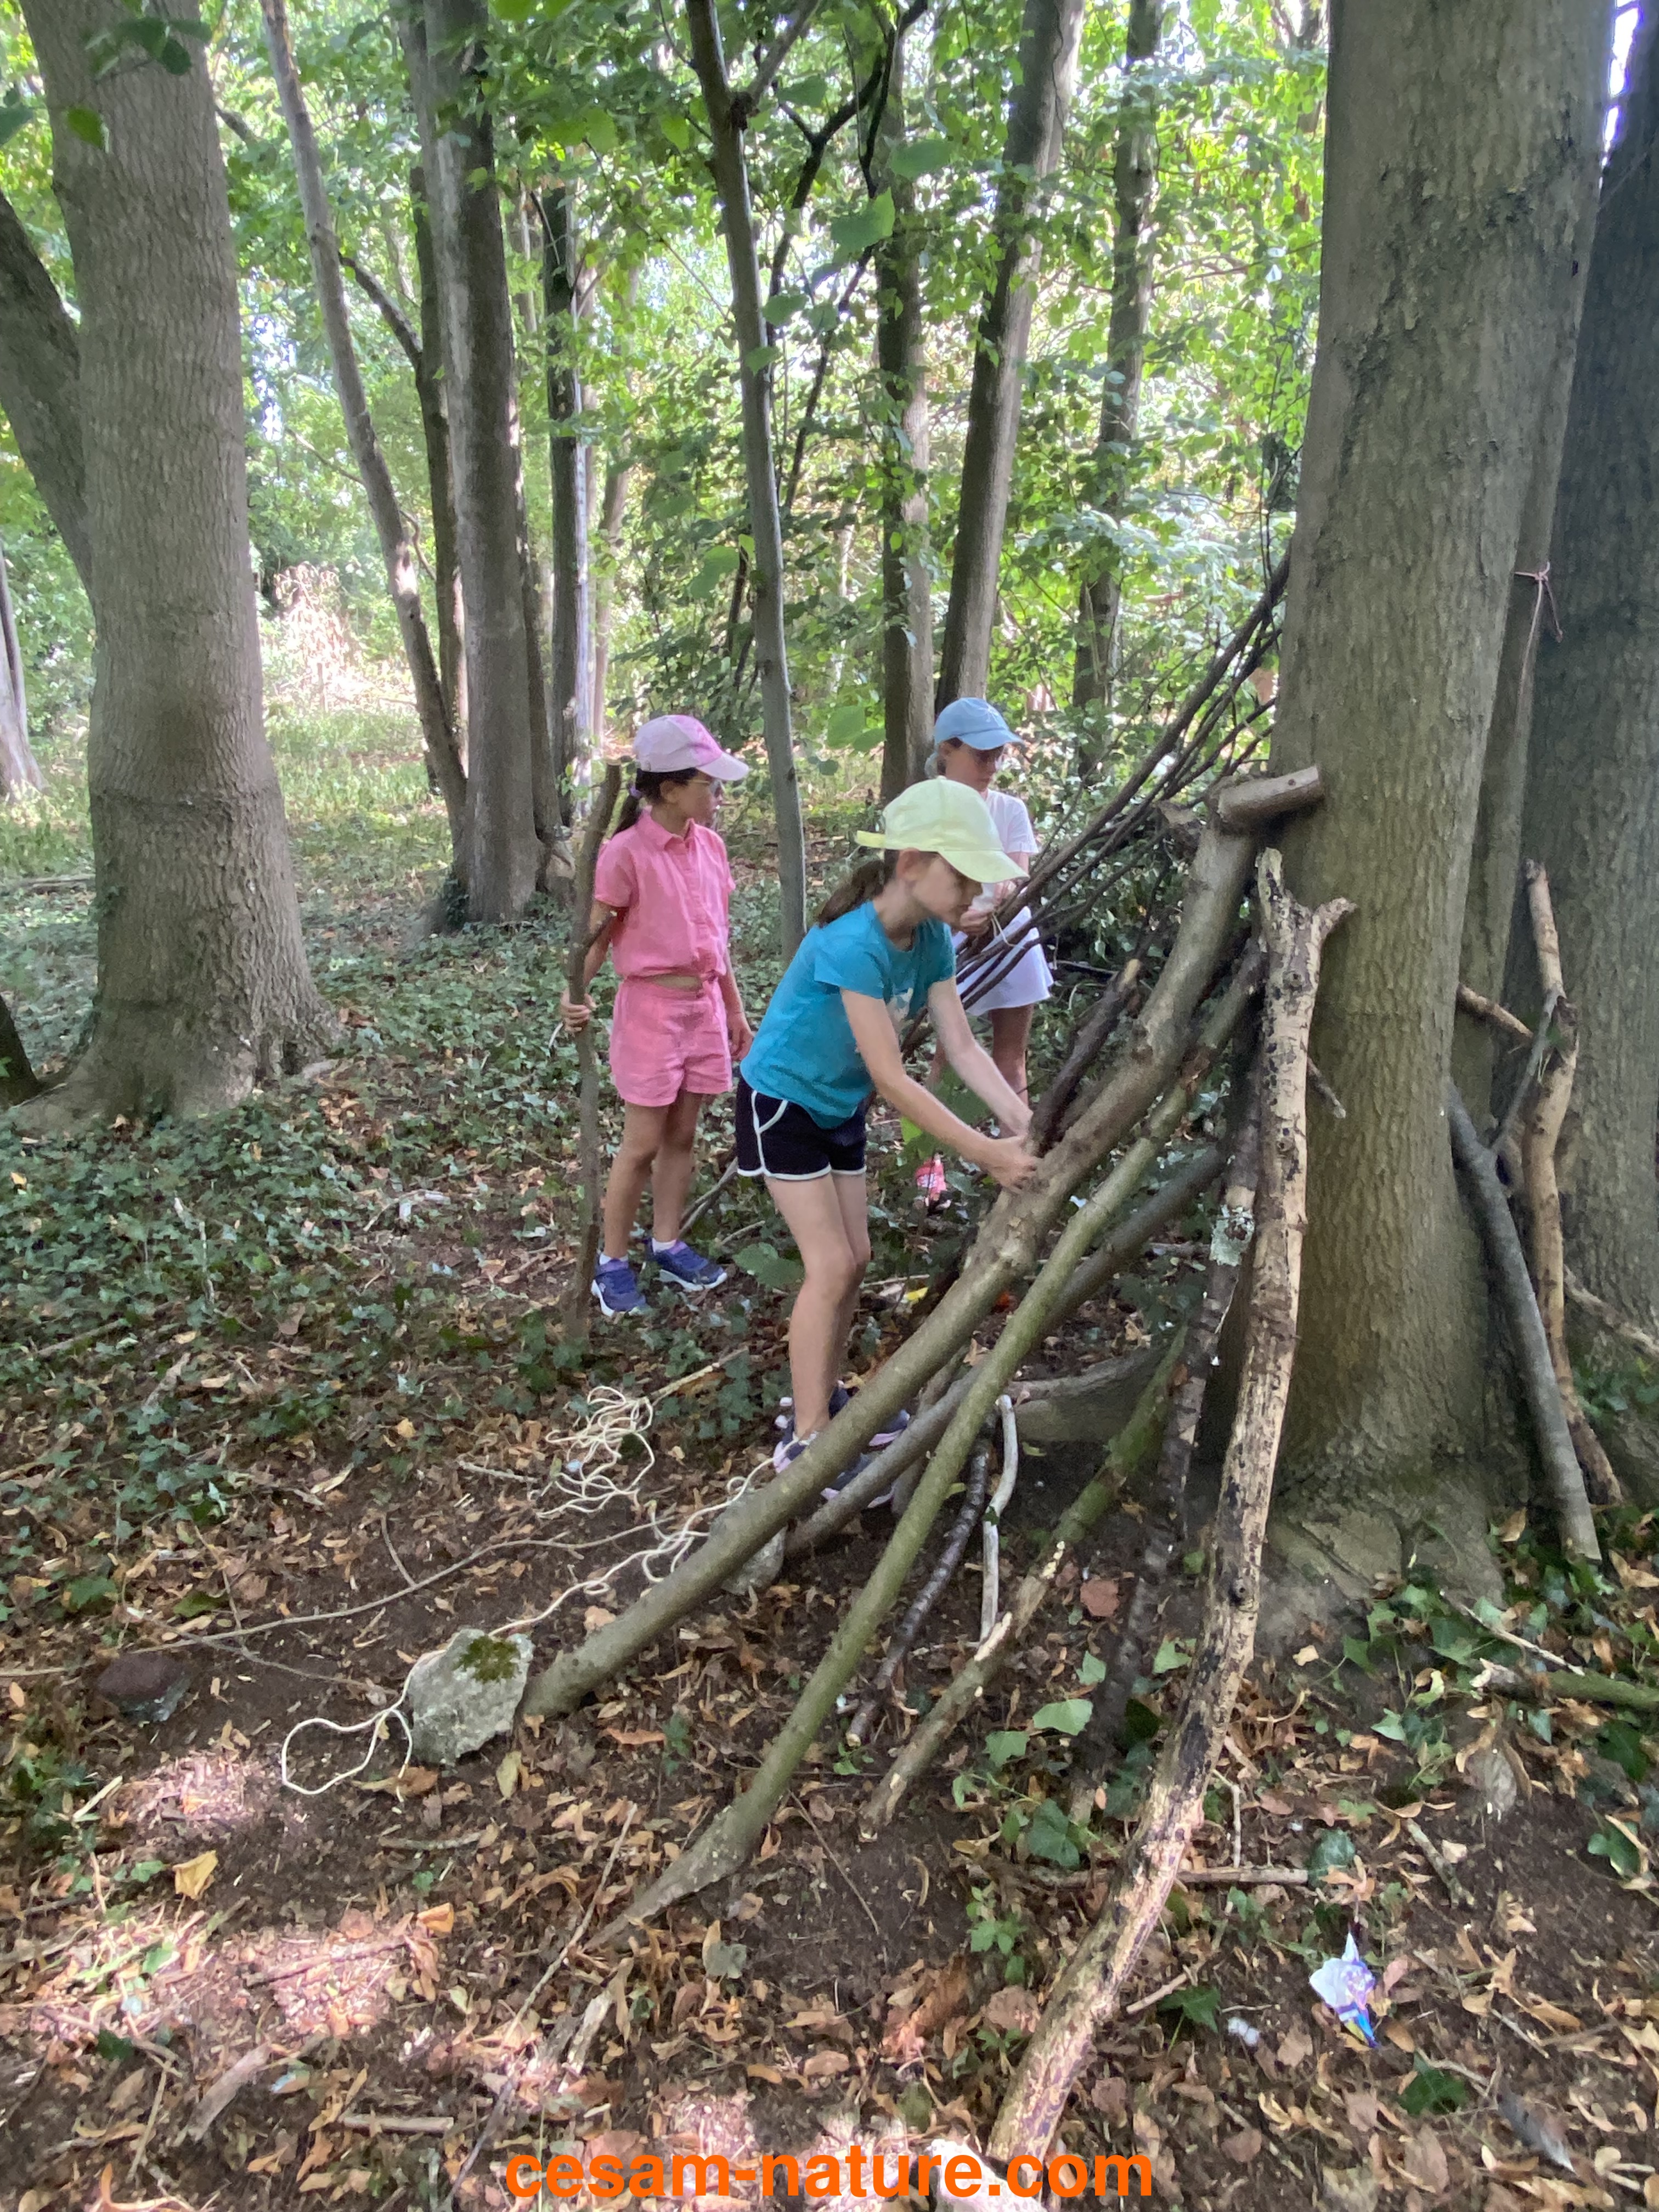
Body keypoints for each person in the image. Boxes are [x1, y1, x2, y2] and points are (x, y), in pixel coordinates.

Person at [736, 778, 1039, 1486]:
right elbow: (893, 1078)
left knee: (858, 1257)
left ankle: (823, 1397)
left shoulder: (930, 937)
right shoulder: (854, 943)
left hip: (837, 1105)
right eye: (963, 876)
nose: (975, 894)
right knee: (830, 1265)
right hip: (783, 1101)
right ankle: (805, 1442)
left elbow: (961, 1044)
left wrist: (1023, 1122)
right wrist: (984, 1152)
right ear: (911, 863)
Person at [560, 715, 754, 1317]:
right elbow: (598, 937)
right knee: (642, 1143)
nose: (719, 795)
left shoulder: (711, 848)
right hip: (651, 1012)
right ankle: (612, 1261)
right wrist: (573, 992)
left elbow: (716, 941)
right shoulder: (626, 854)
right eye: (709, 784)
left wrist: (734, 1010)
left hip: (703, 1008)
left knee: (683, 1135)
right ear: (669, 789)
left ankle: (667, 1242)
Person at [914, 696, 1052, 1204]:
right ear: (947, 752)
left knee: (1011, 1057)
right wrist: (956, 918)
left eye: (997, 755)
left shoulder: (1009, 809)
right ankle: (929, 1166)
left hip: (1008, 936)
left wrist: (996, 905)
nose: (991, 766)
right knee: (949, 1055)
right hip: (951, 939)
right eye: (981, 755)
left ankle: (1019, 1159)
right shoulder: (925, 810)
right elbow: (914, 884)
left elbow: (1017, 875)